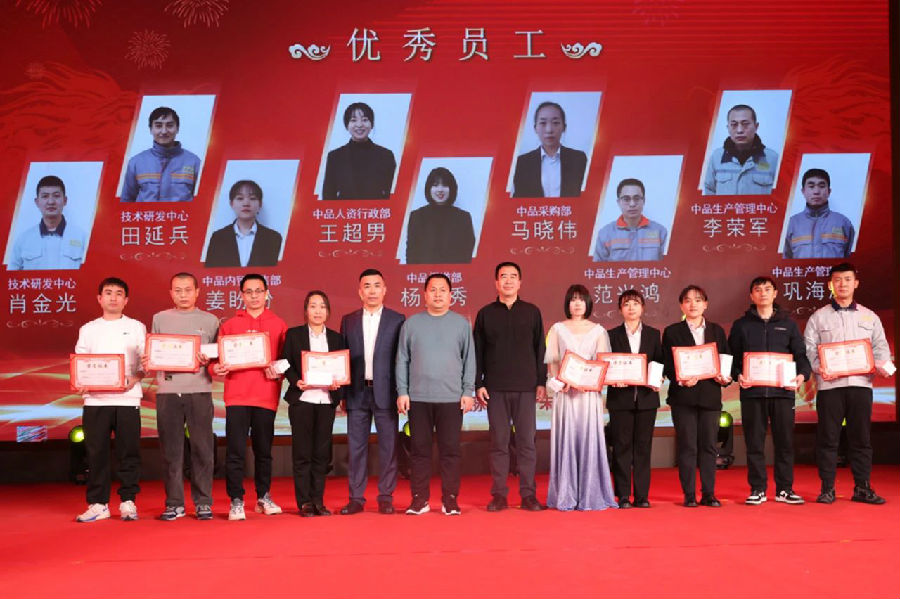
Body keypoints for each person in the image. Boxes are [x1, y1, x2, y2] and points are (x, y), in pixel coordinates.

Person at [804, 263, 891, 505]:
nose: (842, 284)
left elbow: (881, 348)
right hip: (829, 387)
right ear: (830, 284)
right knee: (828, 438)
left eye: (847, 279)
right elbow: (809, 350)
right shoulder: (818, 317)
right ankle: (827, 489)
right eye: (837, 280)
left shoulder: (869, 316)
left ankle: (862, 487)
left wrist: (883, 367)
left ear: (856, 283)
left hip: (861, 386)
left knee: (861, 438)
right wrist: (819, 368)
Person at [396, 274, 475, 516]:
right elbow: (402, 360)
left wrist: (468, 391)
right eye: (433, 290)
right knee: (419, 451)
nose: (438, 294)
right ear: (424, 295)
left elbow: (469, 360)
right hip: (418, 398)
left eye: (443, 290)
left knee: (450, 451)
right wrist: (402, 391)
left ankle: (450, 499)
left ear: (451, 295)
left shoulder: (461, 324)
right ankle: (419, 500)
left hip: (451, 399)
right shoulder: (411, 324)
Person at [728, 276, 811, 506]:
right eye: (758, 290)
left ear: (775, 293)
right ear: (751, 296)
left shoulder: (789, 324)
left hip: (782, 393)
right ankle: (757, 489)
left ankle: (784, 489)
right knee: (754, 443)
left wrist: (802, 375)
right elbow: (732, 358)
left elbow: (801, 356)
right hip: (753, 393)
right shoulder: (741, 325)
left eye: (767, 289)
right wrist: (737, 375)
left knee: (784, 443)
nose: (762, 293)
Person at [211, 274, 287, 520]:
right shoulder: (230, 325)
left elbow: (287, 361)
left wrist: (278, 370)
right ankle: (236, 500)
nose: (254, 296)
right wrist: (216, 368)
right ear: (241, 295)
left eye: (258, 291)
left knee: (263, 451)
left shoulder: (279, 324)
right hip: (237, 396)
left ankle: (264, 496)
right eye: (249, 291)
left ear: (266, 293)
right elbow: (214, 361)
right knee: (235, 452)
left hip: (266, 396)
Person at [144, 272, 219, 521]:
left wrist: (209, 359)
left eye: (188, 290)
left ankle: (203, 502)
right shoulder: (160, 319)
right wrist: (149, 359)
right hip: (168, 392)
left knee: (202, 449)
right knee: (171, 451)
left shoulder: (211, 320)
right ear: (171, 293)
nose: (183, 295)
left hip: (200, 390)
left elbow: (218, 359)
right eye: (178, 290)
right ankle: (174, 503)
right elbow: (154, 353)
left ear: (197, 292)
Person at [474, 262, 547, 512]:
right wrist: (479, 383)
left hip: (526, 387)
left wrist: (541, 382)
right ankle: (499, 495)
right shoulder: (485, 314)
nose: (508, 281)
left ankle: (528, 495)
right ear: (496, 282)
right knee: (499, 443)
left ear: (520, 282)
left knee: (527, 443)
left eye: (513, 276)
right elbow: (478, 352)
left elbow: (540, 349)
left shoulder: (532, 312)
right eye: (503, 276)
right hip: (495, 388)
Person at [73, 277, 146, 522]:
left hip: (128, 398)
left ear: (126, 300)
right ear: (99, 298)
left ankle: (128, 501)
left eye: (118, 293)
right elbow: (80, 363)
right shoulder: (88, 329)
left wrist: (135, 378)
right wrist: (80, 381)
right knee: (96, 454)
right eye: (108, 292)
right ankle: (98, 503)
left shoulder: (136, 327)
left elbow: (145, 363)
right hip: (95, 401)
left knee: (129, 452)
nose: (113, 297)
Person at [544, 284, 617, 511]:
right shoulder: (557, 329)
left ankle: (590, 494)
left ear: (588, 303)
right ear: (567, 303)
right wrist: (560, 382)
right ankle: (565, 494)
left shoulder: (598, 331)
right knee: (566, 437)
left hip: (588, 395)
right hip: (566, 394)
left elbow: (602, 363)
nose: (577, 304)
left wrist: (590, 382)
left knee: (588, 438)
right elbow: (553, 364)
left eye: (581, 299)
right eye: (573, 299)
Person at [339, 269, 405, 515]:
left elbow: (402, 359)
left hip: (386, 392)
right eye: (367, 286)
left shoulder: (397, 320)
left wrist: (402, 392)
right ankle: (356, 498)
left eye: (377, 285)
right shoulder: (349, 320)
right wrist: (342, 394)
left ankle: (386, 496)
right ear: (360, 292)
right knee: (356, 448)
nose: (372, 291)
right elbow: (343, 358)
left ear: (385, 290)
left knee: (389, 447)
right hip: (357, 392)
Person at [662, 285, 731, 507]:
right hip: (683, 397)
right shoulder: (672, 331)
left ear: (705, 304)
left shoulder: (716, 330)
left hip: (710, 396)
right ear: (681, 305)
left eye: (698, 300)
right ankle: (689, 494)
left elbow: (725, 359)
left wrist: (725, 377)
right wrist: (680, 379)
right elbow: (667, 364)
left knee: (709, 446)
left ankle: (709, 494)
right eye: (688, 300)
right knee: (687, 446)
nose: (693, 304)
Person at [281, 290, 346, 516]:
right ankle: (305, 502)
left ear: (328, 311)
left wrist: (338, 383)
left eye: (322, 306)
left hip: (326, 401)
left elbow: (342, 368)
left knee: (321, 454)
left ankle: (318, 500)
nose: (318, 311)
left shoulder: (336, 338)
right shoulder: (294, 335)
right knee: (302, 453)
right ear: (306, 310)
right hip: (303, 400)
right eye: (313, 306)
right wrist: (295, 381)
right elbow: (285, 363)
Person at [606, 289, 664, 508]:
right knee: (621, 447)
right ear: (620, 309)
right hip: (620, 399)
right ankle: (623, 495)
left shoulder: (653, 334)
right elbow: (605, 364)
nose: (631, 308)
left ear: (643, 308)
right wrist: (612, 379)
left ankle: (642, 496)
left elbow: (659, 362)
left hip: (647, 399)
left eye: (635, 303)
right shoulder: (611, 335)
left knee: (643, 448)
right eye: (626, 304)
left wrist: (657, 378)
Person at [122, 106, 201, 202]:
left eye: (170, 125)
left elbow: (203, 202)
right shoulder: (136, 163)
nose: (164, 131)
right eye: (158, 126)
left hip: (181, 213)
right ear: (151, 129)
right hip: (147, 212)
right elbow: (126, 201)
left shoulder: (194, 162)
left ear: (177, 128)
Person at [9, 175, 87, 270]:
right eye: (45, 196)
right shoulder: (23, 240)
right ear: (37, 202)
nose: (51, 202)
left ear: (65, 200)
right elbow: (11, 275)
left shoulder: (82, 238)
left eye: (56, 196)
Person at [512, 101, 587, 198]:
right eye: (543, 123)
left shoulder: (579, 159)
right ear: (535, 128)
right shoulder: (521, 163)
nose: (549, 130)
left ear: (564, 127)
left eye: (555, 123)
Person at [322, 102, 396, 200]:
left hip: (376, 209)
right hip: (345, 209)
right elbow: (328, 195)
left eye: (365, 120)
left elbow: (393, 194)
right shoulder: (335, 157)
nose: (359, 125)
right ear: (347, 125)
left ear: (372, 124)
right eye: (353, 120)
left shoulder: (386, 155)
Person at [703, 104, 779, 195]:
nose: (739, 130)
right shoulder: (716, 158)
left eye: (745, 124)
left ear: (756, 126)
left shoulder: (772, 159)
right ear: (728, 128)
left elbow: (781, 197)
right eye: (734, 125)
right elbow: (709, 191)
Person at [205, 180, 283, 267]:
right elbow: (209, 271)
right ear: (231, 203)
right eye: (240, 198)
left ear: (260, 204)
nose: (246, 203)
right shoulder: (218, 238)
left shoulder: (273, 238)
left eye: (252, 198)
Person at [405, 167, 476, 264]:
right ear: (429, 189)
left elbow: (468, 252)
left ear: (452, 188)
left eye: (445, 185)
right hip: (424, 272)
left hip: (454, 271)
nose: (440, 190)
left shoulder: (463, 217)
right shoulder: (416, 216)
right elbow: (411, 254)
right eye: (435, 185)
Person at [783, 169, 854, 259]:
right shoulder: (791, 224)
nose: (816, 191)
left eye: (821, 186)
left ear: (829, 191)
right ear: (803, 191)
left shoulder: (843, 223)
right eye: (811, 186)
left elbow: (851, 258)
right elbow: (784, 261)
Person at [592, 178, 668, 262]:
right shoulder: (605, 234)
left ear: (644, 201)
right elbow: (597, 267)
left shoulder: (660, 232)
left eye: (637, 198)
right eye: (626, 199)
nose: (632, 204)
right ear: (619, 202)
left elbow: (668, 266)